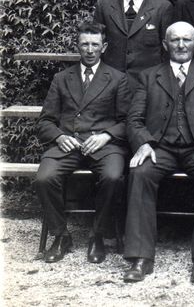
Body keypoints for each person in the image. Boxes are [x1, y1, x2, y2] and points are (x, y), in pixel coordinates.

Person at [123, 22, 194, 283]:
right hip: (161, 148)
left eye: (186, 40)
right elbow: (134, 119)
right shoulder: (148, 76)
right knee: (140, 173)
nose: (181, 45)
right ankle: (141, 258)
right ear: (165, 44)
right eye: (175, 40)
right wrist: (144, 143)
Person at [34, 21, 130, 264]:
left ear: (104, 47)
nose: (89, 50)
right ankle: (61, 235)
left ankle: (97, 235)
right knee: (44, 178)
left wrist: (106, 136)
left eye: (95, 45)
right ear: (77, 46)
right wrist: (59, 136)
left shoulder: (117, 78)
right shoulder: (61, 78)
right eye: (85, 44)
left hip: (103, 145)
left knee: (113, 177)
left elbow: (127, 121)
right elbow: (45, 121)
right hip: (69, 144)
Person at [93, 0, 173, 83]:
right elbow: (96, 45)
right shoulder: (104, 6)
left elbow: (167, 52)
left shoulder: (162, 7)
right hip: (110, 83)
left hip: (148, 84)